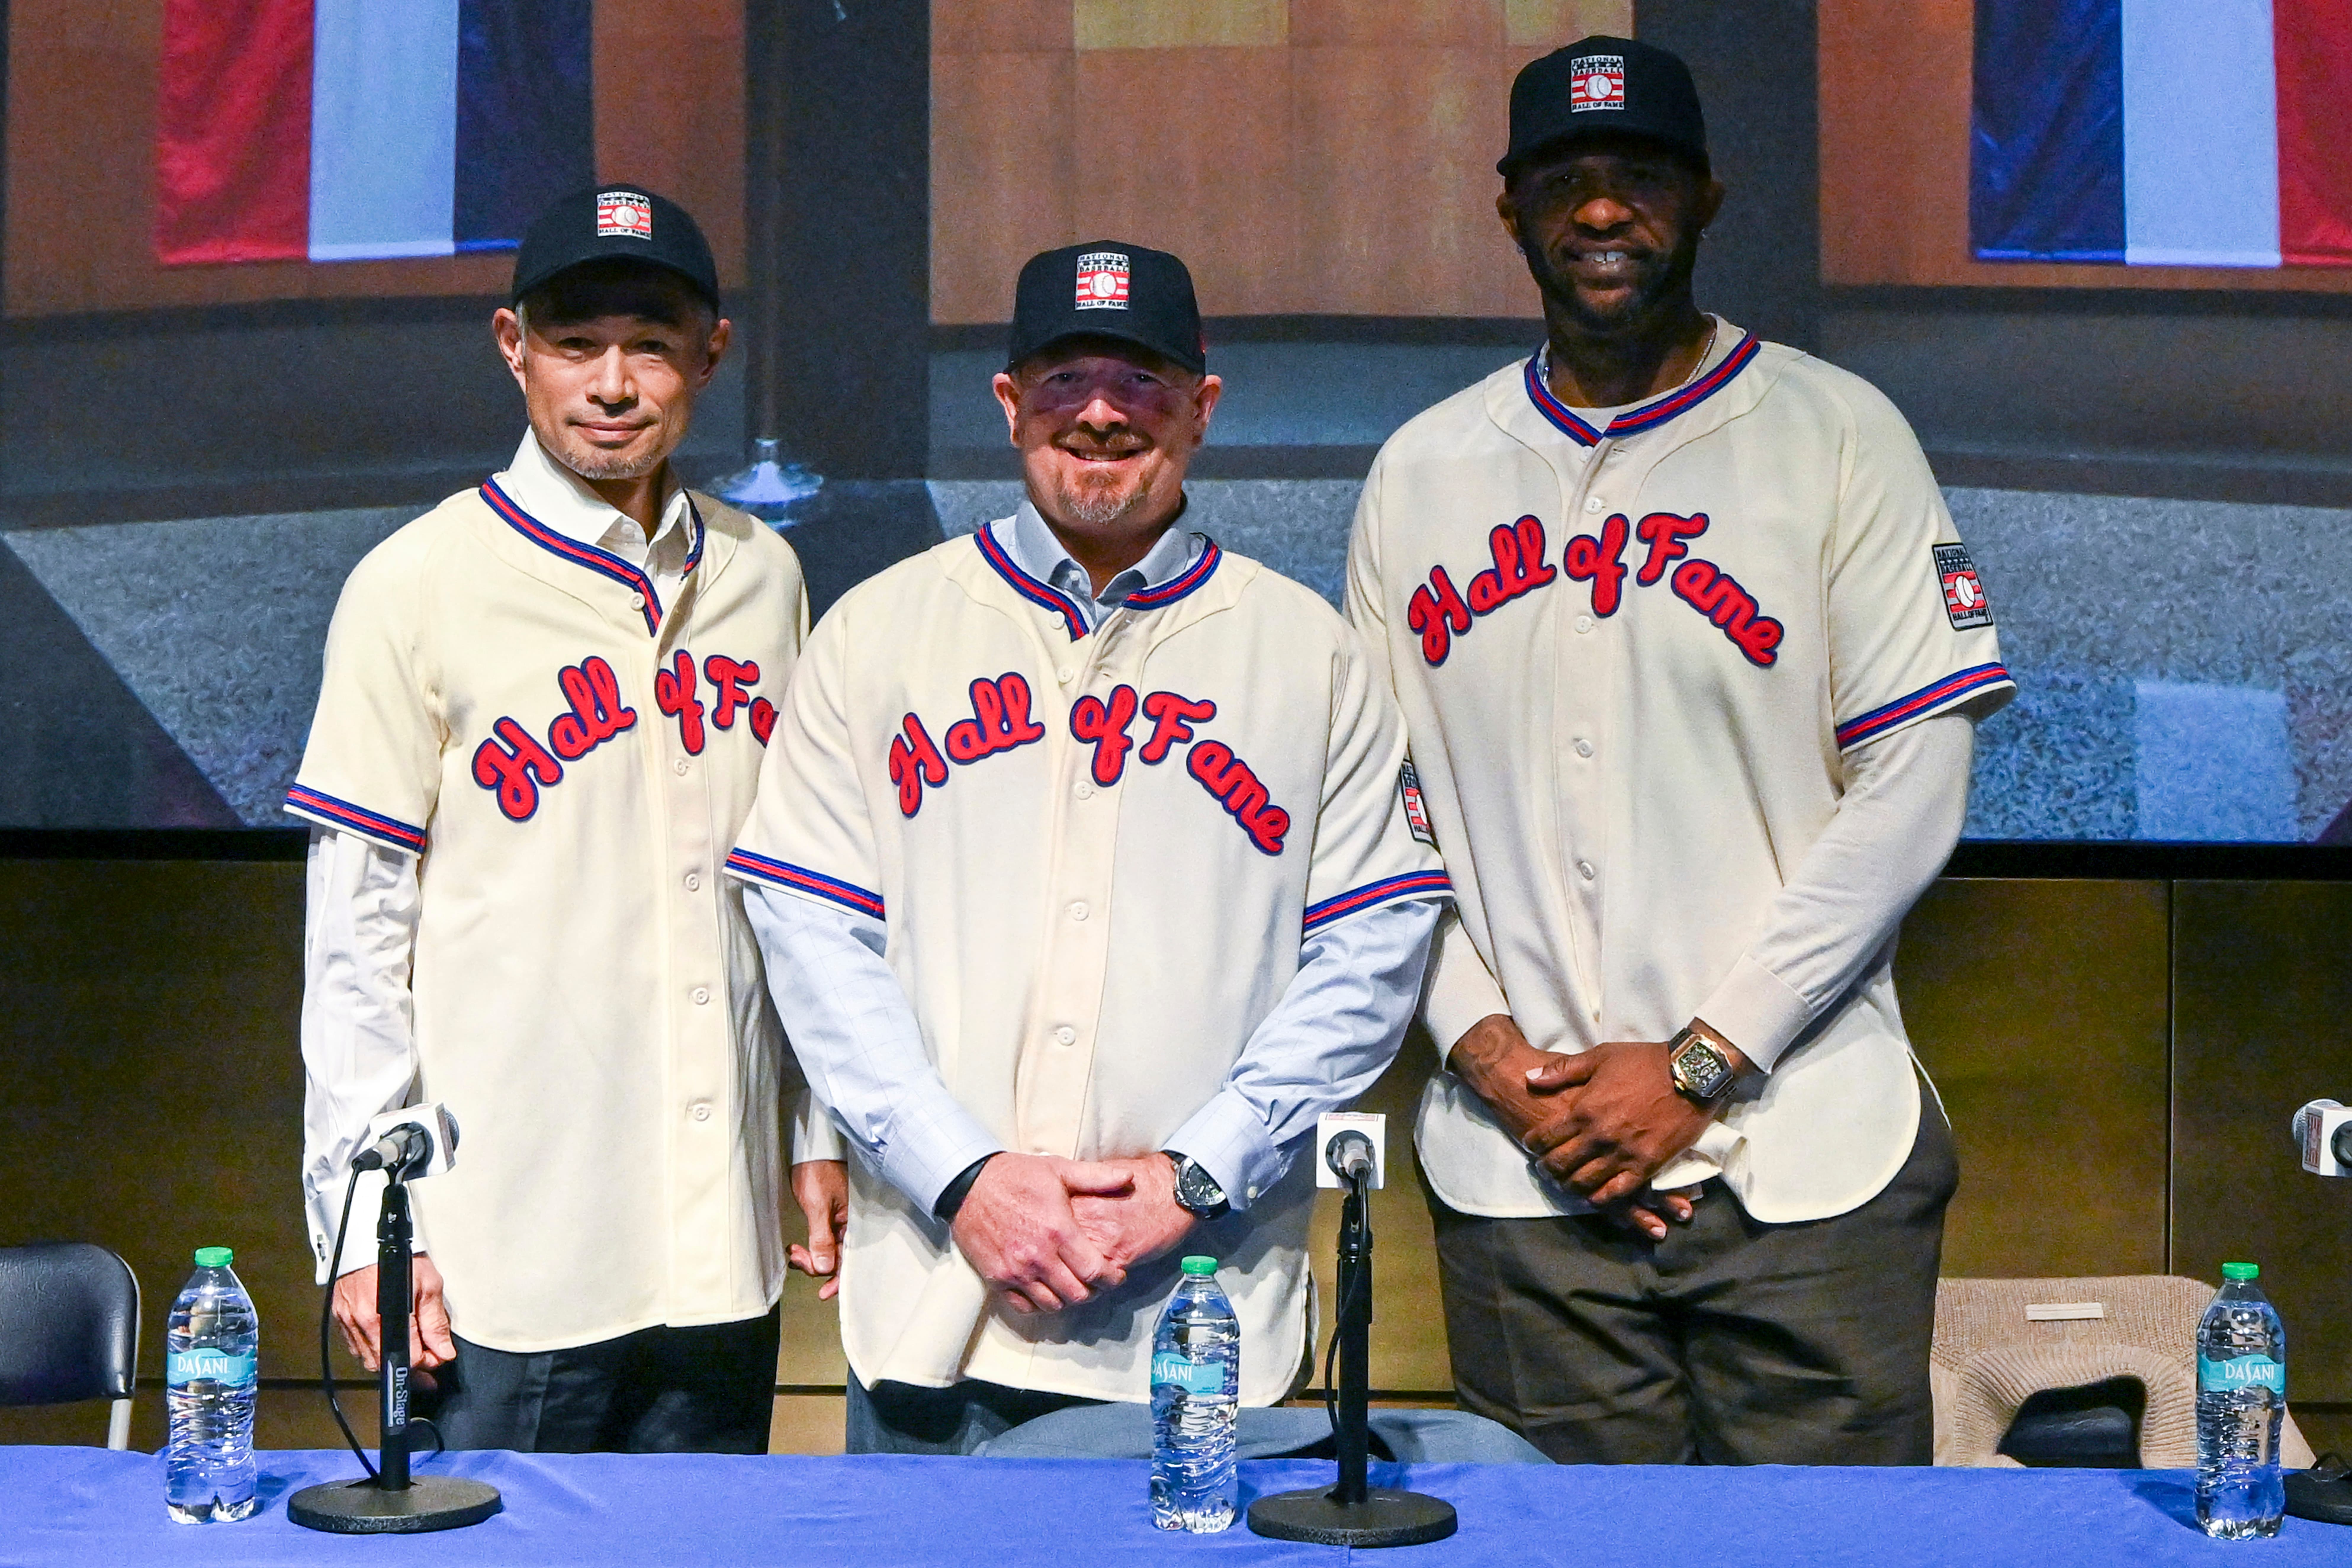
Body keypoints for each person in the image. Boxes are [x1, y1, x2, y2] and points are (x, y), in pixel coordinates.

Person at [1345, 38, 2014, 1464]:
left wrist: (1704, 1060)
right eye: (1566, 181)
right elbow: (1374, 817)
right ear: (1509, 208)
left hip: (1805, 1155)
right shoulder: (1421, 472)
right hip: (1529, 1178)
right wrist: (1489, 1052)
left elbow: (1916, 786)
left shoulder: (1838, 436)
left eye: (1639, 178)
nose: (1603, 211)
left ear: (1708, 198)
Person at [732, 242, 1448, 1453]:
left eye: (1143, 381)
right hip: (937, 1302)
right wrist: (964, 1178)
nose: (1105, 414)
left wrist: (1199, 1174)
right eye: (1067, 380)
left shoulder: (1307, 653)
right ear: (1009, 403)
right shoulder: (879, 634)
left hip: (1200, 1314)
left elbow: (1372, 955)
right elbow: (812, 938)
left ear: (1204, 408)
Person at [290, 185, 810, 1453]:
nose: (615, 382)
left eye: (653, 342)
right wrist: (366, 1224)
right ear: (513, 346)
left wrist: (815, 1129)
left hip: (716, 1252)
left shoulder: (763, 575)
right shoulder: (416, 585)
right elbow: (357, 933)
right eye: (577, 343)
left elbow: (799, 894)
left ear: (714, 355)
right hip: (505, 1259)